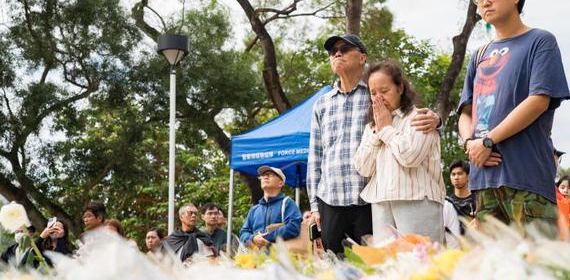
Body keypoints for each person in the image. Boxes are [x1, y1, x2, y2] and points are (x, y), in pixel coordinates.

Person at [308, 34, 441, 253]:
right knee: (336, 265)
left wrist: (438, 121)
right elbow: (315, 156)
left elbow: (416, 123)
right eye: (332, 52)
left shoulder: (377, 94)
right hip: (331, 198)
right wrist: (314, 206)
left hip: (369, 200)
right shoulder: (321, 104)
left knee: (381, 263)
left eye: (344, 48)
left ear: (362, 58)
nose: (337, 53)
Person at [458, 0, 569, 231]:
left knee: (538, 262)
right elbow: (465, 112)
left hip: (525, 176)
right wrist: (472, 144)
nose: (484, 2)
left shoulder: (540, 41)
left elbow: (539, 100)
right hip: (484, 181)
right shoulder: (479, 55)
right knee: (495, 264)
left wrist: (489, 141)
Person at [353, 59, 445, 243]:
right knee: (389, 265)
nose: (378, 98)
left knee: (421, 262)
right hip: (381, 202)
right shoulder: (371, 127)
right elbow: (362, 168)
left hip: (417, 199)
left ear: (400, 88)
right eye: (373, 93)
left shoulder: (421, 117)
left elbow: (410, 157)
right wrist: (377, 131)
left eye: (384, 91)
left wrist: (386, 129)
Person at [240, 166, 302, 248]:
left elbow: (294, 227)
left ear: (281, 183)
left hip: (282, 258)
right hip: (257, 259)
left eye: (270, 174)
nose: (265, 177)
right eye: (263, 175)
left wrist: (266, 237)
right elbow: (243, 233)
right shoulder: (254, 210)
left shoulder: (287, 203)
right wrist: (253, 238)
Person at [444, 160, 476, 235]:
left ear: (468, 176)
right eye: (453, 174)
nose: (456, 177)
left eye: (460, 174)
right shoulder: (447, 202)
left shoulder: (477, 199)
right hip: (452, 243)